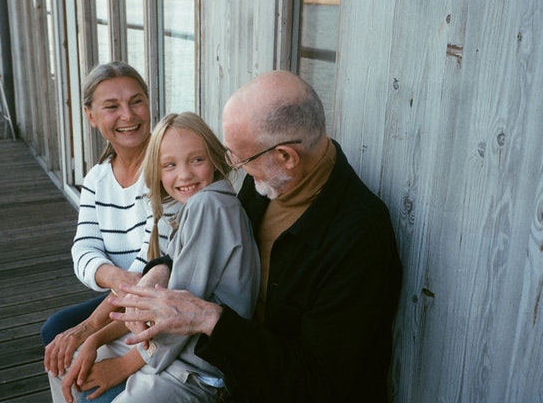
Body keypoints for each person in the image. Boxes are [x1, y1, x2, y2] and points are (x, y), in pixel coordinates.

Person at [109, 71, 403, 402]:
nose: (232, 166)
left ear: (286, 157)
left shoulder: (359, 241)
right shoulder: (268, 181)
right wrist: (161, 268)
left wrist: (210, 320)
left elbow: (320, 384)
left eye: (239, 157)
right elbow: (213, 249)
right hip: (219, 362)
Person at [49, 112, 260, 402]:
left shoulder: (209, 206)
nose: (184, 174)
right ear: (157, 173)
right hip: (167, 349)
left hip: (194, 369)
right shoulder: (187, 208)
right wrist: (95, 337)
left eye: (196, 160)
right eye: (170, 165)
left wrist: (121, 367)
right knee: (67, 361)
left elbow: (177, 315)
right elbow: (151, 298)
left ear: (215, 158)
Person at [41, 61, 173, 386]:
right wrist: (114, 275)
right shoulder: (98, 178)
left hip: (164, 295)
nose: (128, 116)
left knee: (76, 341)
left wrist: (90, 327)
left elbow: (152, 270)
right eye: (112, 106)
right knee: (55, 329)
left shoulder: (170, 169)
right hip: (124, 295)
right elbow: (84, 250)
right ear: (91, 116)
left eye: (136, 101)